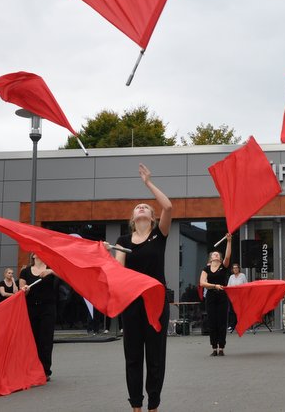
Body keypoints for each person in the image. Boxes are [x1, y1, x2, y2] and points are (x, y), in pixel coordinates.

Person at [112, 163, 172, 412]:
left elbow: (168, 206)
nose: (141, 207)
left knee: (155, 358)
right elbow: (117, 273)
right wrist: (106, 253)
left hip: (156, 303)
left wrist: (148, 183)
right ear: (132, 218)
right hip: (132, 304)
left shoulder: (159, 235)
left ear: (151, 216)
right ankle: (136, 405)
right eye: (137, 207)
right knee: (133, 357)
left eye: (145, 206)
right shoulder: (123, 241)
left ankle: (153, 405)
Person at [19, 253, 58, 380]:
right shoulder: (25, 271)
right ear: (33, 255)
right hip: (31, 308)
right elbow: (21, 291)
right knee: (33, 339)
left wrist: (51, 271)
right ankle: (32, 369)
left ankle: (45, 371)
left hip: (48, 308)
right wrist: (24, 290)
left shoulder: (51, 268)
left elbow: (66, 276)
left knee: (46, 340)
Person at [199, 236, 233, 356]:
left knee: (222, 322)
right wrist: (214, 286)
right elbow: (202, 283)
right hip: (211, 297)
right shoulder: (206, 269)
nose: (216, 255)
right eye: (214, 254)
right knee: (212, 322)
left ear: (220, 258)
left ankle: (222, 347)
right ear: (210, 258)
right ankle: (214, 347)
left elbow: (228, 256)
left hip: (222, 297)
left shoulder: (223, 267)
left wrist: (229, 241)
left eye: (218, 254)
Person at [227, 263, 247, 331]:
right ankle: (232, 325)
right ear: (232, 269)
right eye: (234, 268)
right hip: (233, 296)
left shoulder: (242, 275)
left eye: (236, 268)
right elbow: (228, 286)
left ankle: (242, 325)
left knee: (241, 310)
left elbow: (246, 285)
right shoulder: (231, 277)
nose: (235, 269)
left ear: (239, 269)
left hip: (241, 296)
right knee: (232, 311)